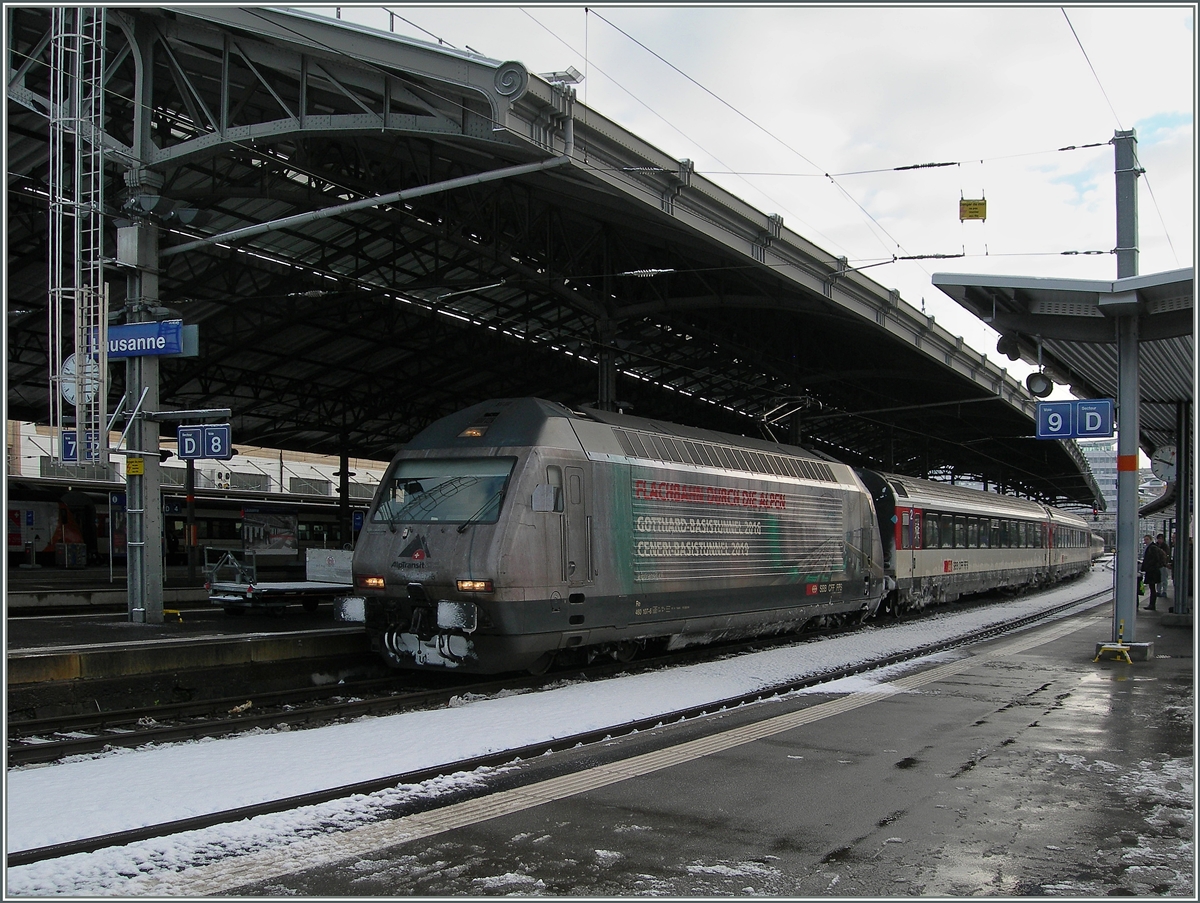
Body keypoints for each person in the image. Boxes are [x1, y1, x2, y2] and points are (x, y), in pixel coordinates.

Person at [1141, 533, 1165, 610]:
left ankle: (1152, 605)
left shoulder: (1152, 548)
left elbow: (1155, 558)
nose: (1145, 541)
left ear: (1151, 540)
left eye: (1147, 539)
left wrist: (1149, 566)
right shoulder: (1151, 547)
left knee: (1152, 588)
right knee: (1152, 588)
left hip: (1152, 571)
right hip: (1152, 570)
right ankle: (1151, 604)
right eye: (1144, 539)